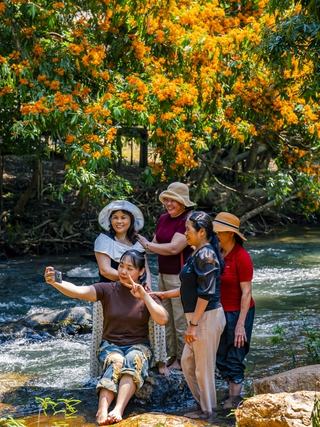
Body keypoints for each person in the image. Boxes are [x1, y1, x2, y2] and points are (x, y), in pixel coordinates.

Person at [44, 250, 169, 426]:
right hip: (110, 346)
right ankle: (102, 410)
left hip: (139, 346)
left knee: (133, 359)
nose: (124, 272)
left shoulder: (147, 294)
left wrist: (144, 296)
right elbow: (79, 291)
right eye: (121, 266)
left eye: (130, 268)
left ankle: (118, 409)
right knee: (117, 361)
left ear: (141, 272)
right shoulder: (108, 289)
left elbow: (162, 319)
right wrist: (56, 281)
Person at [151, 211, 226, 419]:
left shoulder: (206, 255)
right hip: (198, 317)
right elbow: (188, 286)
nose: (185, 234)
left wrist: (193, 325)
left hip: (206, 317)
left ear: (202, 232)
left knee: (203, 369)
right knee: (187, 363)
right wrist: (163, 294)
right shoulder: (197, 252)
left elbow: (206, 293)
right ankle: (204, 407)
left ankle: (209, 413)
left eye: (188, 230)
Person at [94, 200, 169, 376]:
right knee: (107, 332)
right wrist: (130, 281)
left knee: (156, 322)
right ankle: (106, 369)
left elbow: (146, 269)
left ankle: (159, 362)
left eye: (123, 218)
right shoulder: (103, 240)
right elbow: (105, 269)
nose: (119, 221)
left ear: (131, 220)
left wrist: (147, 290)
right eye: (115, 218)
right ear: (110, 221)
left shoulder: (137, 242)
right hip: (111, 294)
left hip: (138, 291)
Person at [137, 182, 194, 371]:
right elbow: (154, 244)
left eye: (173, 201)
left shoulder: (186, 220)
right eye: (167, 200)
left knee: (179, 319)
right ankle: (173, 355)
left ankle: (183, 359)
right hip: (163, 274)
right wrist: (137, 246)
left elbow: (174, 248)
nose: (169, 204)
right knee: (165, 318)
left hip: (180, 276)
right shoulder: (164, 218)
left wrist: (147, 246)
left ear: (183, 202)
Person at [213, 212, 255, 410]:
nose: (214, 234)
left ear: (230, 234)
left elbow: (246, 293)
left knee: (235, 356)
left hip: (239, 312)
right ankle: (233, 392)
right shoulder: (216, 252)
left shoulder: (241, 257)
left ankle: (234, 400)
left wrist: (240, 325)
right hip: (219, 312)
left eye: (218, 231)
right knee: (219, 356)